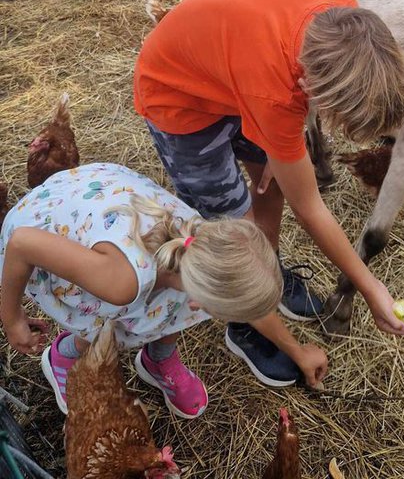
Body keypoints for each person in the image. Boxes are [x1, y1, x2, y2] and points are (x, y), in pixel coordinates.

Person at [134, 0, 404, 389]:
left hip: (234, 74)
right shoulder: (275, 93)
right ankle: (244, 317)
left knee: (274, 182)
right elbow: (311, 208)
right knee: (233, 230)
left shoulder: (345, 21)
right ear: (307, 86)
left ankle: (268, 274)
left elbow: (292, 150)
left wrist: (281, 144)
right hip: (180, 99)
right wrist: (372, 289)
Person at [0, 162, 317, 418]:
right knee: (105, 316)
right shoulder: (120, 282)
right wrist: (11, 318)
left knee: (169, 305)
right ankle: (64, 355)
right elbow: (23, 243)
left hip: (97, 197)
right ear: (203, 300)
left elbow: (246, 297)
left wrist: (297, 351)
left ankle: (159, 359)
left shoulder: (198, 241)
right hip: (44, 228)